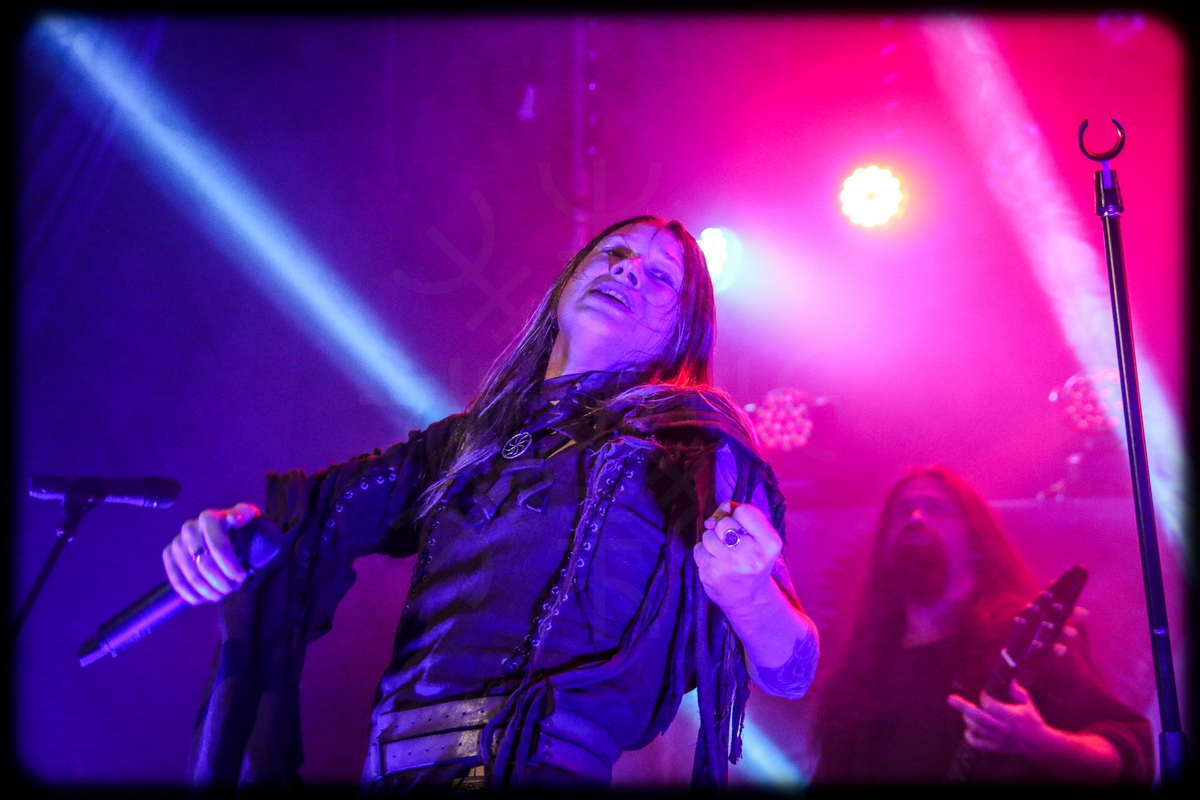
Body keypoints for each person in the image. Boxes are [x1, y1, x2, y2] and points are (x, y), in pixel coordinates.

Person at [163, 215, 820, 791]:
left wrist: (748, 595)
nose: (627, 271)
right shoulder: (466, 443)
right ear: (565, 283)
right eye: (614, 253)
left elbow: (792, 669)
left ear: (683, 331)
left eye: (659, 277)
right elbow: (310, 519)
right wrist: (230, 532)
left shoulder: (690, 450)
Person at [810, 466, 1153, 785]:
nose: (915, 518)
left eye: (936, 508)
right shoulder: (857, 676)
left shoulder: (1025, 640)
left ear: (976, 542)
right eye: (901, 512)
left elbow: (1127, 760)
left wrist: (1044, 744)